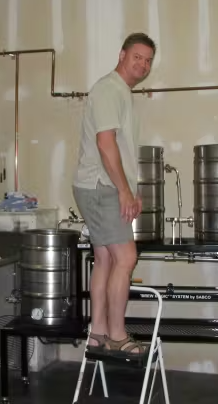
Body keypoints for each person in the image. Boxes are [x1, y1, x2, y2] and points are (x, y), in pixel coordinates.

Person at [72, 32, 156, 358]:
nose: (143, 64)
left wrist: (130, 190)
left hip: (101, 185)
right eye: (138, 57)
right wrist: (123, 191)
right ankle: (118, 336)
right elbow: (105, 145)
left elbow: (117, 148)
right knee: (126, 258)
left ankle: (98, 333)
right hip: (100, 187)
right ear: (122, 55)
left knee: (106, 258)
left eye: (148, 60)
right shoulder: (109, 89)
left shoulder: (120, 91)